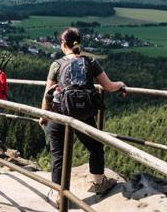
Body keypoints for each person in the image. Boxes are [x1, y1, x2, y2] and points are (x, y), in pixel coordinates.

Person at [39, 27, 127, 195]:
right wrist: (121, 84)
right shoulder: (91, 62)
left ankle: (59, 194)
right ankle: (99, 183)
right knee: (95, 146)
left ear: (63, 43)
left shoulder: (57, 64)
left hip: (60, 114)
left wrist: (43, 116)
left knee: (59, 155)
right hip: (84, 114)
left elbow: (47, 94)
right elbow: (108, 86)